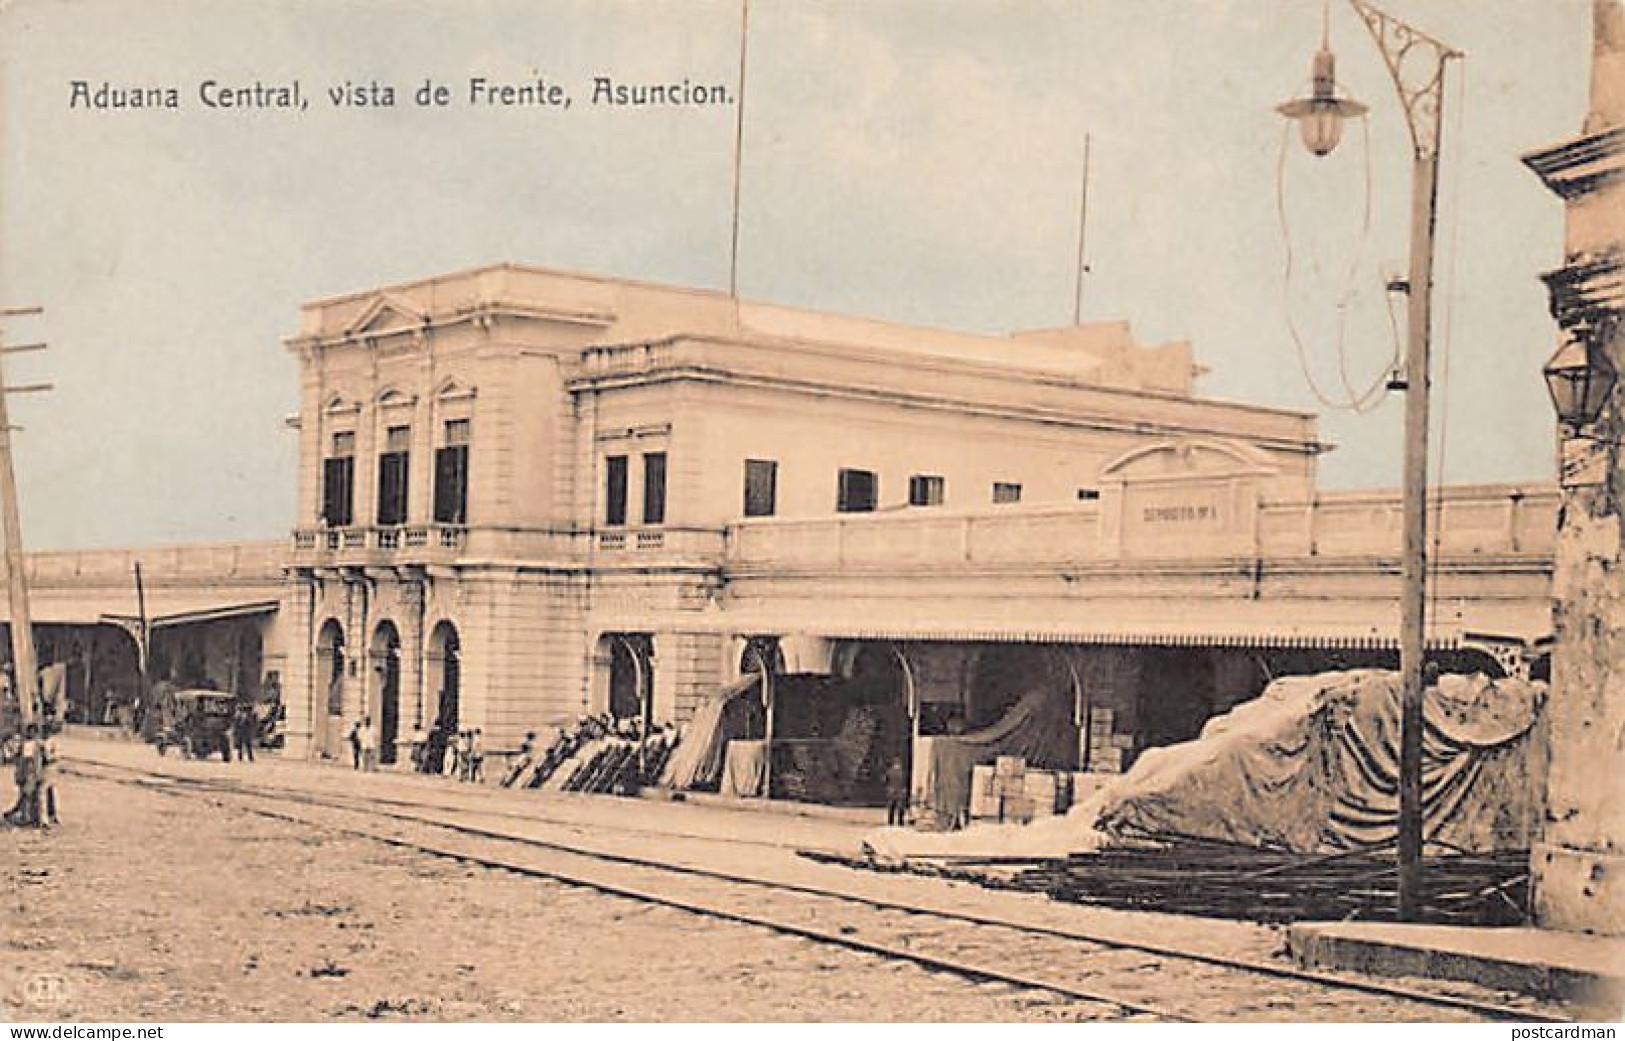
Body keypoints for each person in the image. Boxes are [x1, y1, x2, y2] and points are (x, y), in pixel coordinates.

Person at [884, 756, 909, 828]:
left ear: (893, 764)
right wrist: (904, 790)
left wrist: (888, 787)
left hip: (891, 791)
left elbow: (885, 780)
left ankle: (890, 822)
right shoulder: (903, 772)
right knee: (900, 807)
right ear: (899, 764)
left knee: (891, 807)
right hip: (900, 791)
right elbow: (906, 782)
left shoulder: (889, 772)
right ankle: (900, 822)